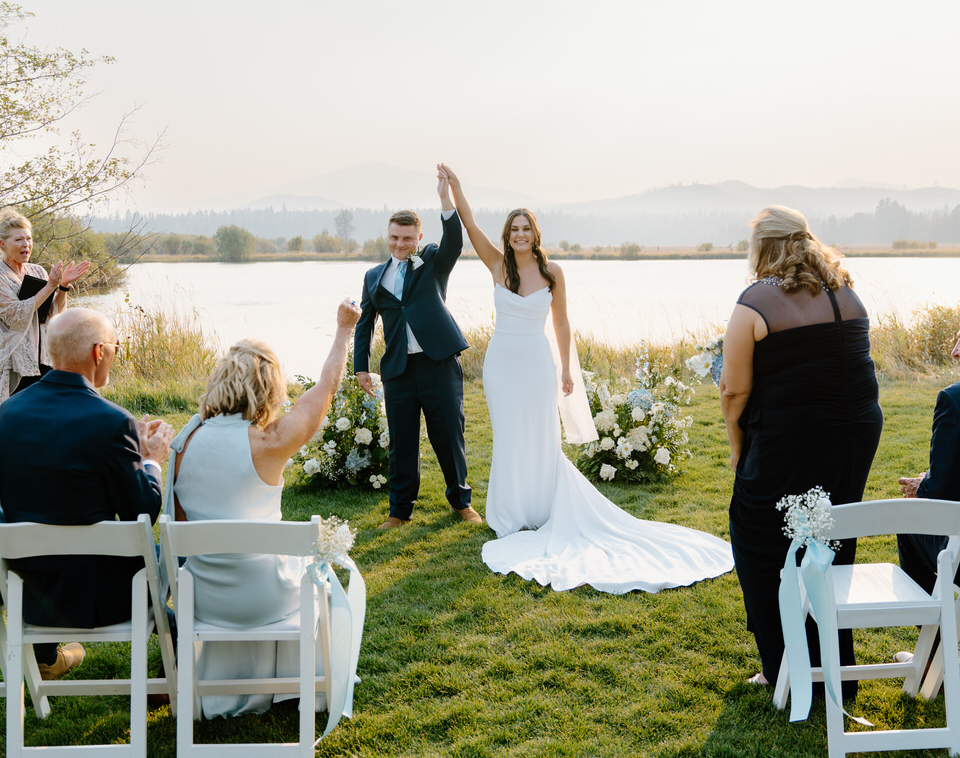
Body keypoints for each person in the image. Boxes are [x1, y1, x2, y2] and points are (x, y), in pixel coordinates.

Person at [438, 165, 735, 593]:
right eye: (514, 228)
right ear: (508, 235)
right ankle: (510, 515)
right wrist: (455, 191)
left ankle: (541, 512)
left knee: (541, 434)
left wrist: (564, 368)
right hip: (502, 363)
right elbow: (469, 224)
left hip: (537, 363)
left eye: (526, 228)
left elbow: (562, 325)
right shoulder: (497, 264)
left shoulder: (553, 272)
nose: (520, 234)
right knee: (508, 435)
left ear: (535, 233)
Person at [166, 299, 360, 717]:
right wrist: (344, 329)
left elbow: (181, 527)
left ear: (219, 380)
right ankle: (302, 686)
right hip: (269, 599)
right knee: (321, 580)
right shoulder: (270, 443)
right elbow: (325, 389)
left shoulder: (182, 446)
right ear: (270, 387)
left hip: (207, 599)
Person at [720, 206, 883, 687]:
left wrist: (737, 445)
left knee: (759, 538)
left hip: (792, 435)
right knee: (831, 538)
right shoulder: (844, 291)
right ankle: (835, 667)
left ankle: (784, 669)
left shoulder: (756, 300)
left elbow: (733, 390)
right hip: (854, 433)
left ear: (763, 247)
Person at [0, 307, 173, 680]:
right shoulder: (112, 421)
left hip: (27, 592)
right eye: (115, 347)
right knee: (178, 558)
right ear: (99, 352)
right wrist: (149, 460)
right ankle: (180, 643)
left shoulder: (6, 414)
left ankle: (45, 658)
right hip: (104, 598)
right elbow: (141, 511)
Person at [353, 177, 480, 529]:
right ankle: (399, 512)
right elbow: (365, 324)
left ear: (418, 239)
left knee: (448, 436)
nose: (400, 243)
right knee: (402, 442)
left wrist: (445, 198)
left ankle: (461, 503)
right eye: (394, 237)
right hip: (397, 370)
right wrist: (360, 367)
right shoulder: (373, 276)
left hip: (438, 362)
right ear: (388, 237)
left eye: (408, 238)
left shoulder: (433, 262)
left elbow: (455, 241)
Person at [0, 208, 91, 402]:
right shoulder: (1, 276)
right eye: (18, 240)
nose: (26, 244)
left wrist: (63, 286)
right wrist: (50, 286)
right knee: (13, 418)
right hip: (14, 364)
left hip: (43, 359)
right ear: (2, 244)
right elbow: (15, 315)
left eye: (29, 239)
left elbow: (55, 314)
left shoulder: (38, 271)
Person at [896, 330, 960, 594]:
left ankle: (934, 630)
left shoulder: (954, 399)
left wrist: (921, 485)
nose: (955, 351)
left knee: (905, 516)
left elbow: (938, 493)